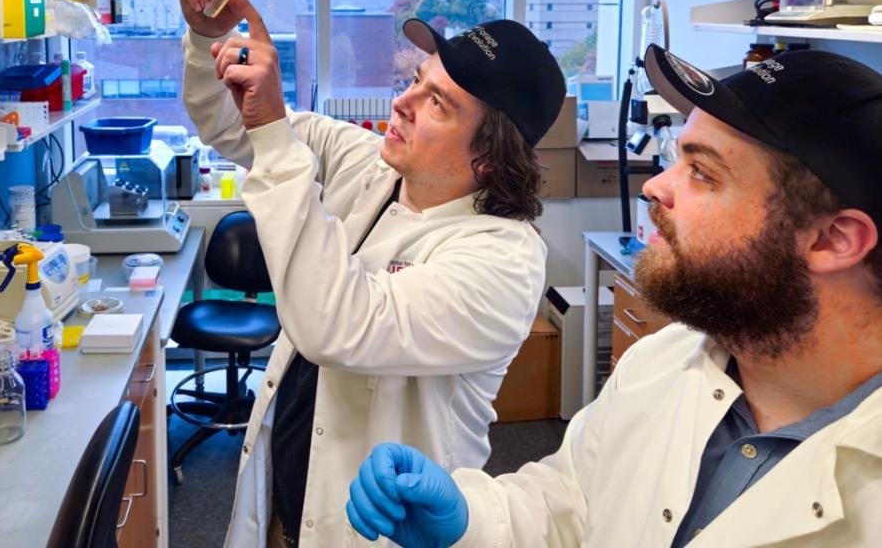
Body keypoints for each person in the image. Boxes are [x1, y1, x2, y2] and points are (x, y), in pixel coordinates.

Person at [346, 45, 882, 547]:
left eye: (702, 172)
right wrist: (473, 519)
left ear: (832, 239)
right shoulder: (661, 361)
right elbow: (571, 504)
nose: (655, 186)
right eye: (676, 158)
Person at [178, 0, 566, 547]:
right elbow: (234, 129)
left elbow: (336, 324)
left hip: (376, 529)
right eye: (416, 80)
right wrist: (208, 37)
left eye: (437, 103)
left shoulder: (502, 260)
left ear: (489, 156)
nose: (403, 101)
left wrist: (279, 145)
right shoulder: (370, 165)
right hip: (286, 501)